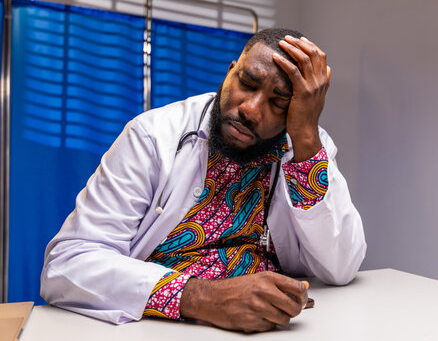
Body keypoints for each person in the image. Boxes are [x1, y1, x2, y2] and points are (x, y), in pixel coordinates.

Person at [40, 28, 366, 332]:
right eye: (248, 84)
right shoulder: (152, 136)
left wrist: (306, 136)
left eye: (278, 102)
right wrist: (204, 298)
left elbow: (340, 266)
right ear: (229, 72)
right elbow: (67, 265)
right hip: (160, 329)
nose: (251, 109)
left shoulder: (304, 145)